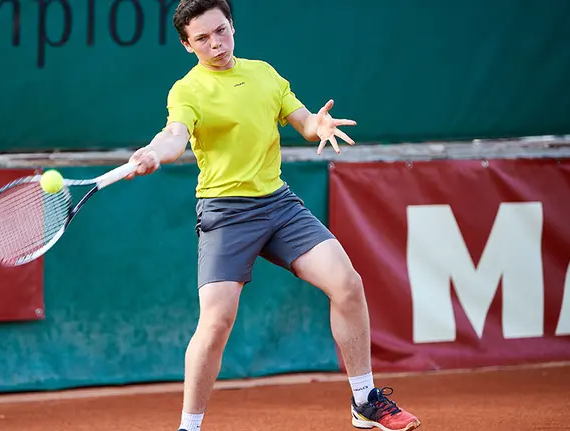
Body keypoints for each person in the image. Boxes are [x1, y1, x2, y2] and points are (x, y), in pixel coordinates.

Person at [126, 1, 421, 430]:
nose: (216, 44)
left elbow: (301, 121)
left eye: (221, 31)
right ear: (187, 46)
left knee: (347, 284)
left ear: (232, 27)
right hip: (225, 214)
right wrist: (155, 153)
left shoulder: (264, 74)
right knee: (216, 321)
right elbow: (175, 135)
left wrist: (318, 127)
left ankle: (364, 401)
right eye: (203, 39)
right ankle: (188, 427)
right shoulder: (187, 90)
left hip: (278, 206)